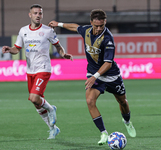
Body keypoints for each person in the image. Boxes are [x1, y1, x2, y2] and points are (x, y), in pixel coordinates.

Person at [49, 9, 136, 145]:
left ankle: (127, 121)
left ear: (105, 22)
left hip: (111, 76)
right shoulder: (87, 31)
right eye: (96, 26)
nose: (99, 28)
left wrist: (95, 76)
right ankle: (103, 133)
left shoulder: (108, 38)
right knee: (90, 101)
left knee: (122, 101)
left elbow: (108, 63)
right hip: (94, 73)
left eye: (102, 25)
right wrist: (58, 24)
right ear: (91, 23)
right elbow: (75, 27)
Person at [2, 4, 73, 139]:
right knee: (36, 102)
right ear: (30, 15)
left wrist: (63, 54)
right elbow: (17, 48)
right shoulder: (23, 31)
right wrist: (9, 49)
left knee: (34, 97)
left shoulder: (48, 31)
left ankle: (51, 109)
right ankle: (53, 128)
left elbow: (57, 46)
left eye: (40, 13)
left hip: (43, 69)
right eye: (35, 13)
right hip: (30, 71)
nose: (38, 16)